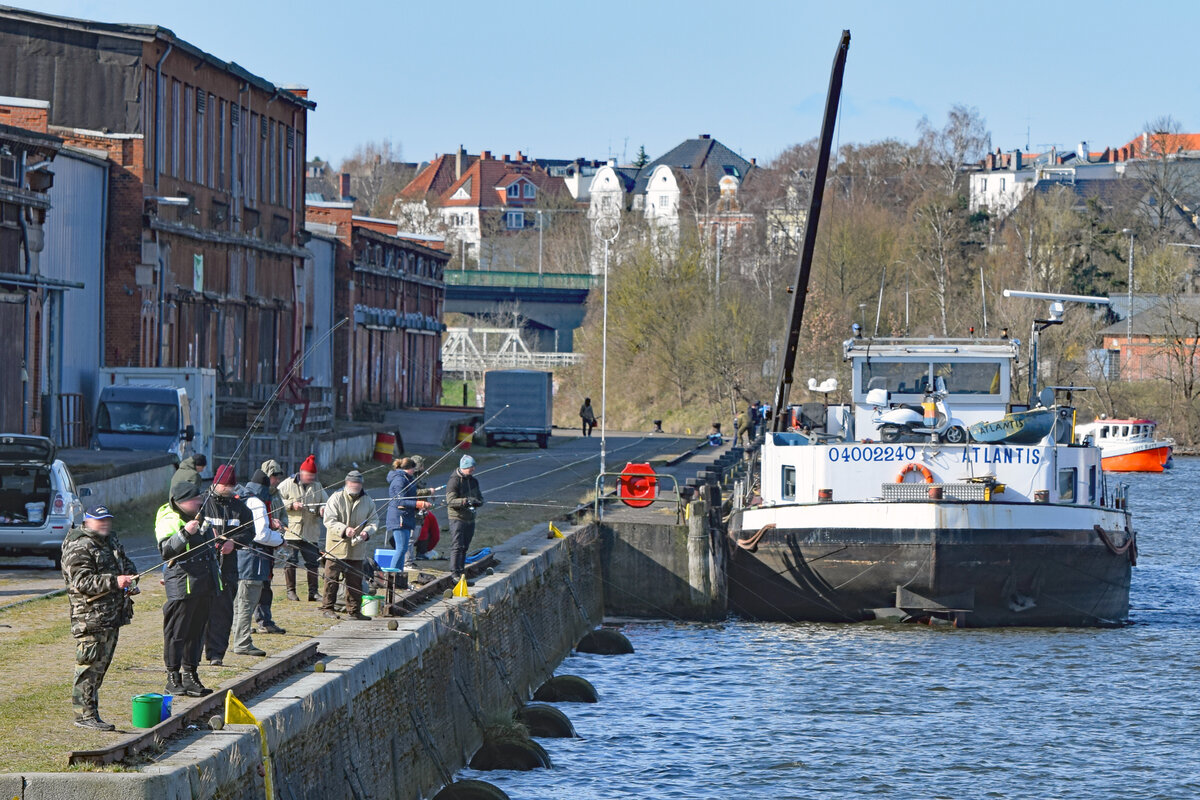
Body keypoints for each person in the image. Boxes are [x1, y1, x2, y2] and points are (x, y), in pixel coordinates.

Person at [61, 504, 138, 731]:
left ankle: (91, 713)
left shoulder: (110, 542)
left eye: (107, 519)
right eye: (99, 520)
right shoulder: (79, 545)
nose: (104, 524)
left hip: (111, 616)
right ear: (87, 521)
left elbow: (127, 566)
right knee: (88, 667)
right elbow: (82, 582)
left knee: (100, 668)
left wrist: (131, 581)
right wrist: (116, 581)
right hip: (90, 618)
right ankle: (84, 716)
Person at [156, 481, 219, 697]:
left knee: (196, 632)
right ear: (182, 501)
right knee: (176, 632)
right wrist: (185, 533)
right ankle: (172, 677)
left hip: (204, 584)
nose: (201, 501)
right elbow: (166, 551)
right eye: (196, 499)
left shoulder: (201, 517)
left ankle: (191, 674)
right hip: (183, 584)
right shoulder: (169, 518)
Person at [200, 465, 255, 666]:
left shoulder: (240, 508)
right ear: (215, 483)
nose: (228, 489)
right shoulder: (202, 503)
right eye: (224, 485)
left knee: (222, 613)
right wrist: (208, 538)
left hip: (228, 568)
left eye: (230, 486)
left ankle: (216, 655)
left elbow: (250, 533)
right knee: (200, 612)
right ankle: (195, 654)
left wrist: (233, 542)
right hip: (203, 567)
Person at [229, 476, 281, 657]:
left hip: (236, 558)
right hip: (253, 561)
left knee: (238, 603)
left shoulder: (238, 496)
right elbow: (260, 535)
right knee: (246, 603)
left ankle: (236, 638)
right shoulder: (256, 502)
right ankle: (242, 643)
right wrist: (280, 539)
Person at [321, 470, 377, 620]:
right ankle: (327, 608)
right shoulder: (336, 498)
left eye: (358, 483)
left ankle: (354, 611)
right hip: (336, 547)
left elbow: (374, 521)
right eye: (353, 483)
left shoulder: (368, 500)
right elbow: (329, 520)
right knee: (331, 579)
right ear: (347, 483)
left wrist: (367, 532)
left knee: (355, 581)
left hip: (357, 549)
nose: (356, 486)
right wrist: (344, 529)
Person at [277, 455, 327, 602]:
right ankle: (290, 591)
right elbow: (277, 501)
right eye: (308, 476)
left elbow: (325, 502)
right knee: (290, 560)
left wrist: (322, 510)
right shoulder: (287, 483)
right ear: (301, 473)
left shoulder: (317, 486)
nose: (311, 479)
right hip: (291, 530)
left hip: (310, 531)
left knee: (313, 562)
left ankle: (313, 592)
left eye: (313, 476)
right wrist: (291, 505)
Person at [249, 460, 287, 634]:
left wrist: (279, 534)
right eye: (274, 477)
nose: (277, 480)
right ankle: (244, 625)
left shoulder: (276, 496)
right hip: (256, 551)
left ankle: (265, 621)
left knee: (266, 587)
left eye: (278, 477)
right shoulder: (253, 498)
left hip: (270, 548)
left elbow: (283, 518)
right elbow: (256, 528)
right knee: (251, 589)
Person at [387, 458, 432, 569]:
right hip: (399, 518)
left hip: (406, 517)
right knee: (401, 549)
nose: (414, 471)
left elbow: (409, 498)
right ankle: (391, 575)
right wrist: (419, 504)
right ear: (410, 468)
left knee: (403, 549)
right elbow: (400, 501)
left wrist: (419, 508)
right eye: (413, 469)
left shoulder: (407, 479)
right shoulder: (399, 480)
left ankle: (399, 574)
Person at [445, 454, 484, 580]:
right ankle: (454, 573)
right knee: (457, 545)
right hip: (457, 518)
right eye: (470, 468)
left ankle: (462, 573)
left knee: (465, 546)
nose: (473, 470)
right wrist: (466, 501)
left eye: (473, 468)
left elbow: (480, 497)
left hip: (470, 518)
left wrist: (478, 502)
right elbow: (450, 501)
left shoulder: (473, 481)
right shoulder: (454, 481)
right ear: (464, 467)